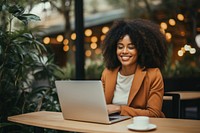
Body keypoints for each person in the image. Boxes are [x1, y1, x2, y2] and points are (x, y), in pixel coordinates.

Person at [101, 19, 168, 117]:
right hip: (112, 127)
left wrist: (119, 109)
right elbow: (100, 107)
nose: (124, 51)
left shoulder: (153, 75)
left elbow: (154, 114)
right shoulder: (107, 73)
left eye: (131, 47)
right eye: (120, 47)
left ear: (141, 50)